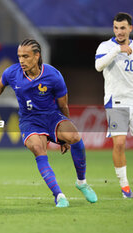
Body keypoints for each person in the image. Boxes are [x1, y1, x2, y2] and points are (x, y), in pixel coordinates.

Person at [0, 39, 97, 207]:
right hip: (29, 121)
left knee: (75, 136)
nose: (21, 60)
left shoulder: (53, 75)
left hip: (52, 117)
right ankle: (59, 195)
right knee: (38, 148)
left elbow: (63, 105)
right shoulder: (12, 73)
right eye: (19, 56)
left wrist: (65, 137)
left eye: (25, 56)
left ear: (37, 55)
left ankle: (81, 182)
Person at [95, 12, 133, 198]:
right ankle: (125, 187)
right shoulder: (106, 46)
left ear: (130, 29)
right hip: (116, 101)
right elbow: (98, 66)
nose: (119, 32)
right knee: (119, 144)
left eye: (123, 28)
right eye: (116, 28)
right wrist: (118, 50)